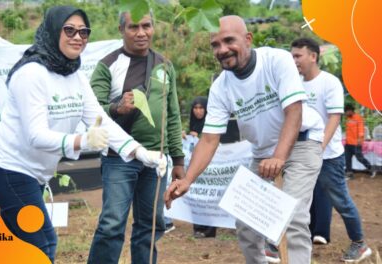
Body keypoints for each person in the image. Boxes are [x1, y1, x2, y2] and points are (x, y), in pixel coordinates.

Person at [0, 6, 164, 263]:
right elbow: (36, 135)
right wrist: (82, 141)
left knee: (25, 245)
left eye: (84, 31)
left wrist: (138, 151)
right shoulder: (31, 74)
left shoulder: (74, 75)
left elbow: (101, 120)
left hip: (32, 174)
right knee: (41, 241)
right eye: (69, 30)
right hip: (6, 170)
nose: (78, 37)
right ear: (54, 31)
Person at [165, 16, 325, 264]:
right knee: (246, 220)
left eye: (229, 40)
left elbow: (295, 111)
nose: (222, 50)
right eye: (215, 45)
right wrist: (187, 179)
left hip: (302, 144)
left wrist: (279, 157)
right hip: (262, 154)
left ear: (248, 39)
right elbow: (208, 139)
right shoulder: (221, 87)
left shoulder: (276, 60)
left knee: (292, 217)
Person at [87, 11, 185, 264]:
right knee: (112, 224)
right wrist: (117, 108)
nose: (141, 33)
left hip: (157, 161)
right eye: (133, 27)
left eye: (146, 26)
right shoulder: (107, 65)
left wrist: (179, 160)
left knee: (151, 225)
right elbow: (91, 111)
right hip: (119, 158)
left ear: (153, 28)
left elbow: (172, 115)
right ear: (121, 30)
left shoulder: (165, 65)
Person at [291, 37, 372, 262]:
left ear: (313, 56)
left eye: (298, 55)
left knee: (340, 200)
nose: (294, 60)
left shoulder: (329, 82)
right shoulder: (294, 82)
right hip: (300, 154)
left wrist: (319, 148)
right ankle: (293, 243)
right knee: (297, 199)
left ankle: (359, 244)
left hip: (328, 156)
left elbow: (334, 119)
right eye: (292, 56)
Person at [187, 96, 218, 238]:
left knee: (209, 194)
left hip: (211, 166)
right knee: (197, 194)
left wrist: (198, 135)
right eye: (195, 108)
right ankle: (198, 227)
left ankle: (210, 229)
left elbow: (211, 142)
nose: (198, 111)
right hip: (196, 167)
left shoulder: (211, 123)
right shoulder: (193, 124)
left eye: (201, 108)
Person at [344, 104, 376, 179]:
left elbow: (361, 129)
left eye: (346, 112)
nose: (345, 113)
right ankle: (349, 174)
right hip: (348, 143)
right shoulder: (347, 118)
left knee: (359, 158)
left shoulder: (358, 118)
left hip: (356, 143)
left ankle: (371, 169)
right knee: (347, 158)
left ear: (350, 111)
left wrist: (360, 138)